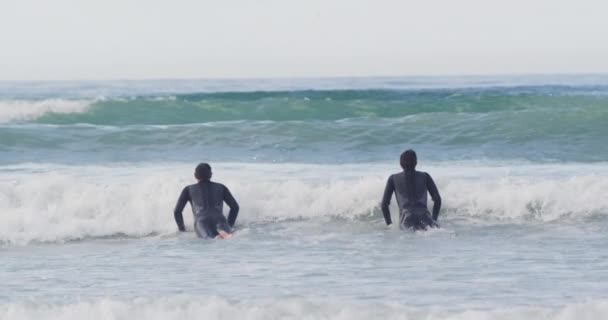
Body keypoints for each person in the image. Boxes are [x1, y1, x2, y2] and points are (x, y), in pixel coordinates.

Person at [174, 163, 239, 239]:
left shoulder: (188, 189)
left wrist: (182, 230)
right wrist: (229, 225)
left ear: (195, 175)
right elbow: (235, 207)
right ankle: (223, 232)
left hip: (201, 221)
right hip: (219, 219)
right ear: (210, 174)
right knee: (226, 235)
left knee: (209, 239)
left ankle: (218, 235)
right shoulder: (221, 187)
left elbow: (177, 211)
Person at [381, 150, 442, 230]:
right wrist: (434, 219)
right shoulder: (425, 176)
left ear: (400, 164)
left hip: (407, 219)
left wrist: (389, 224)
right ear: (416, 162)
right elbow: (437, 200)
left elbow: (384, 204)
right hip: (425, 217)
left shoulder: (393, 178)